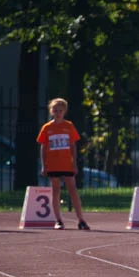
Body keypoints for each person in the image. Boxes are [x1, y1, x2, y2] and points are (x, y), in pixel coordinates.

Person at [36, 98, 90, 231]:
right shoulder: (47, 128)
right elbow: (43, 147)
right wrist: (44, 165)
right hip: (53, 164)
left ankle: (81, 220)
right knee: (56, 191)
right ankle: (58, 220)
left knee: (73, 190)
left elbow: (73, 145)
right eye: (55, 110)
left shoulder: (69, 126)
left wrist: (74, 163)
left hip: (66, 164)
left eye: (60, 110)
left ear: (64, 111)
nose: (58, 113)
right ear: (51, 111)